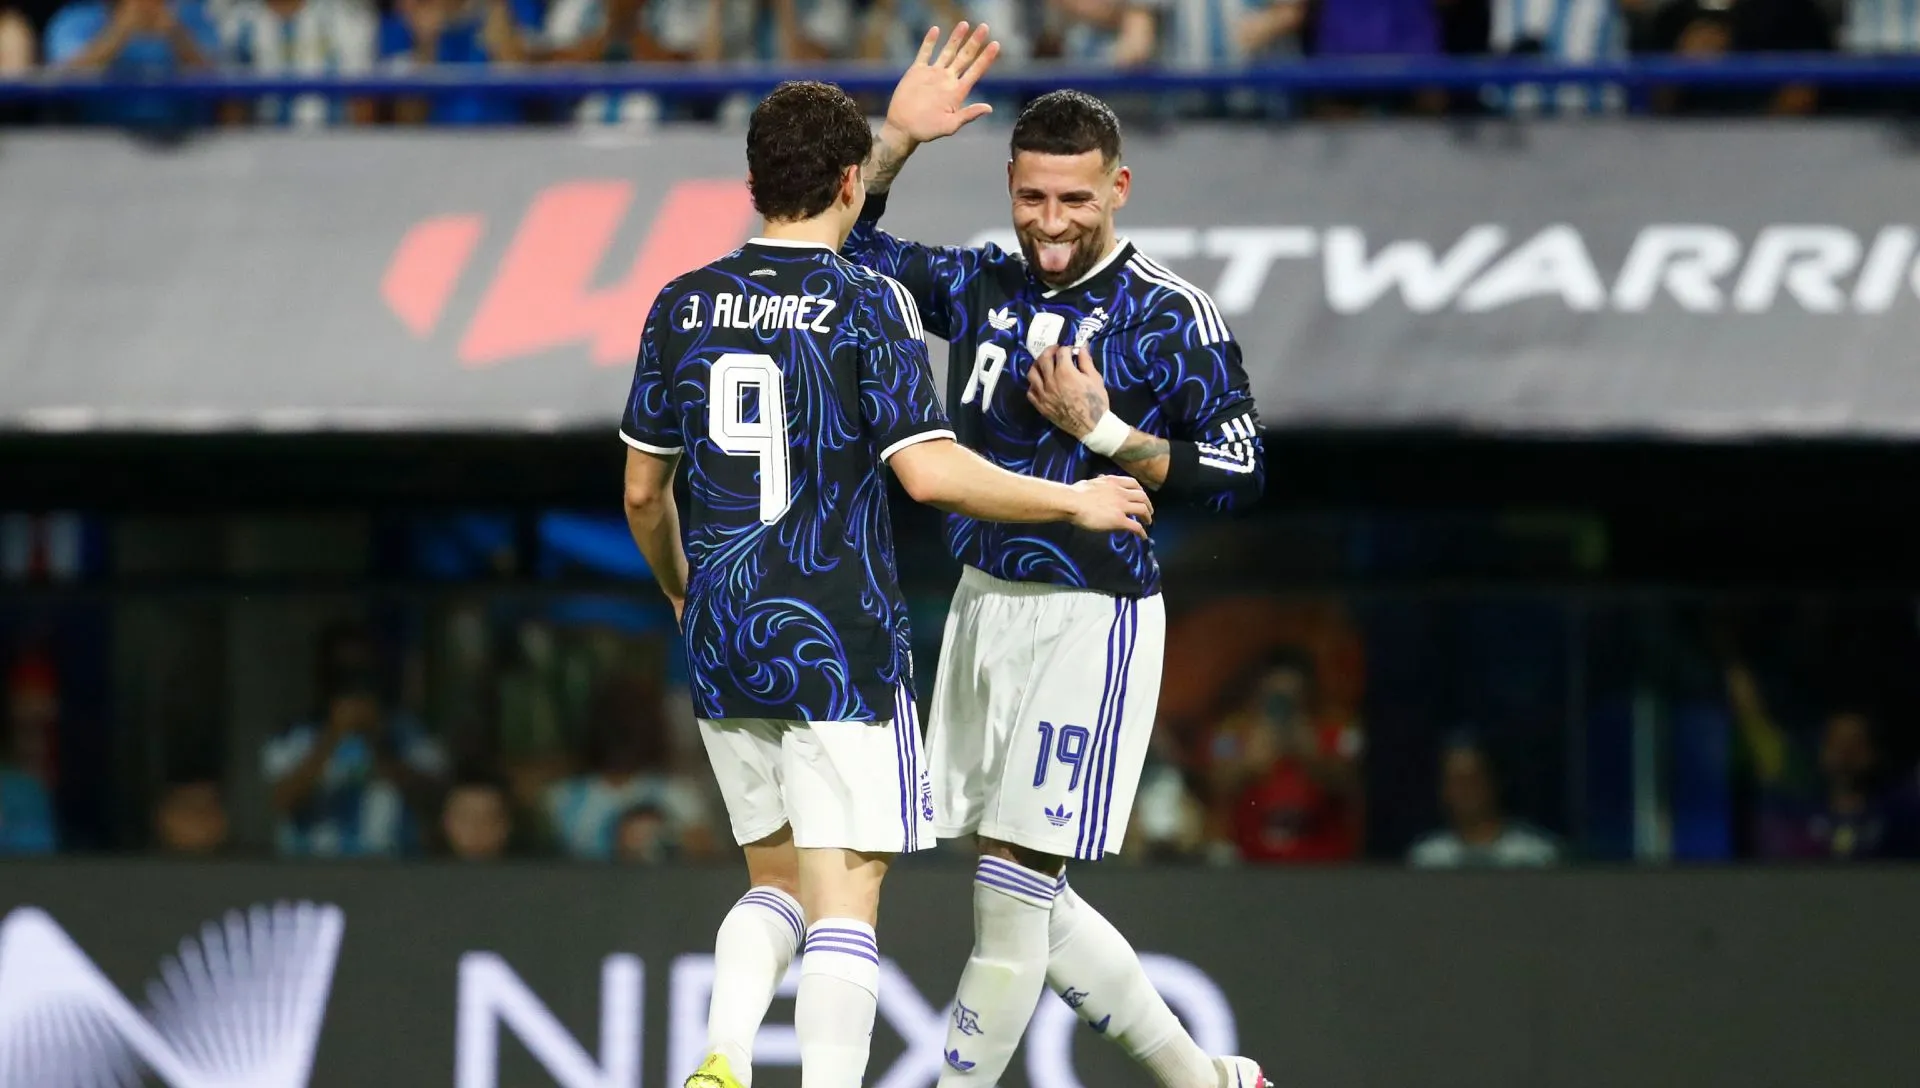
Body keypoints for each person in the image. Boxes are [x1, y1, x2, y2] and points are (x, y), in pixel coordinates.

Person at [619, 79, 1153, 1088]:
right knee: (845, 897)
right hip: (838, 638)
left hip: (726, 630)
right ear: (854, 181)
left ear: (751, 182)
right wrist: (1073, 501)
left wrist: (680, 585)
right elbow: (928, 469)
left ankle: (726, 1049)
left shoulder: (680, 302)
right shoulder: (866, 302)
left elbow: (646, 490)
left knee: (772, 881)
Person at [842, 26, 1270, 1088]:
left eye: (1075, 200)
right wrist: (893, 140)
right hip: (985, 602)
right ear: (1010, 184)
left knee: (1010, 889)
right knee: (1028, 891)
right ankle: (1209, 1080)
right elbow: (846, 252)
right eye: (1033, 197)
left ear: (1118, 186)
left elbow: (1241, 467)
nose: (1051, 222)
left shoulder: (1171, 316)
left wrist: (1112, 434)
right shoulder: (983, 280)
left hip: (1094, 610)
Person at [1407, 737, 1560, 868]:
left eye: (1473, 779)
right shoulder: (1427, 858)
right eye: (1456, 781)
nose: (1465, 790)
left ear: (1494, 782)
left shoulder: (1535, 854)